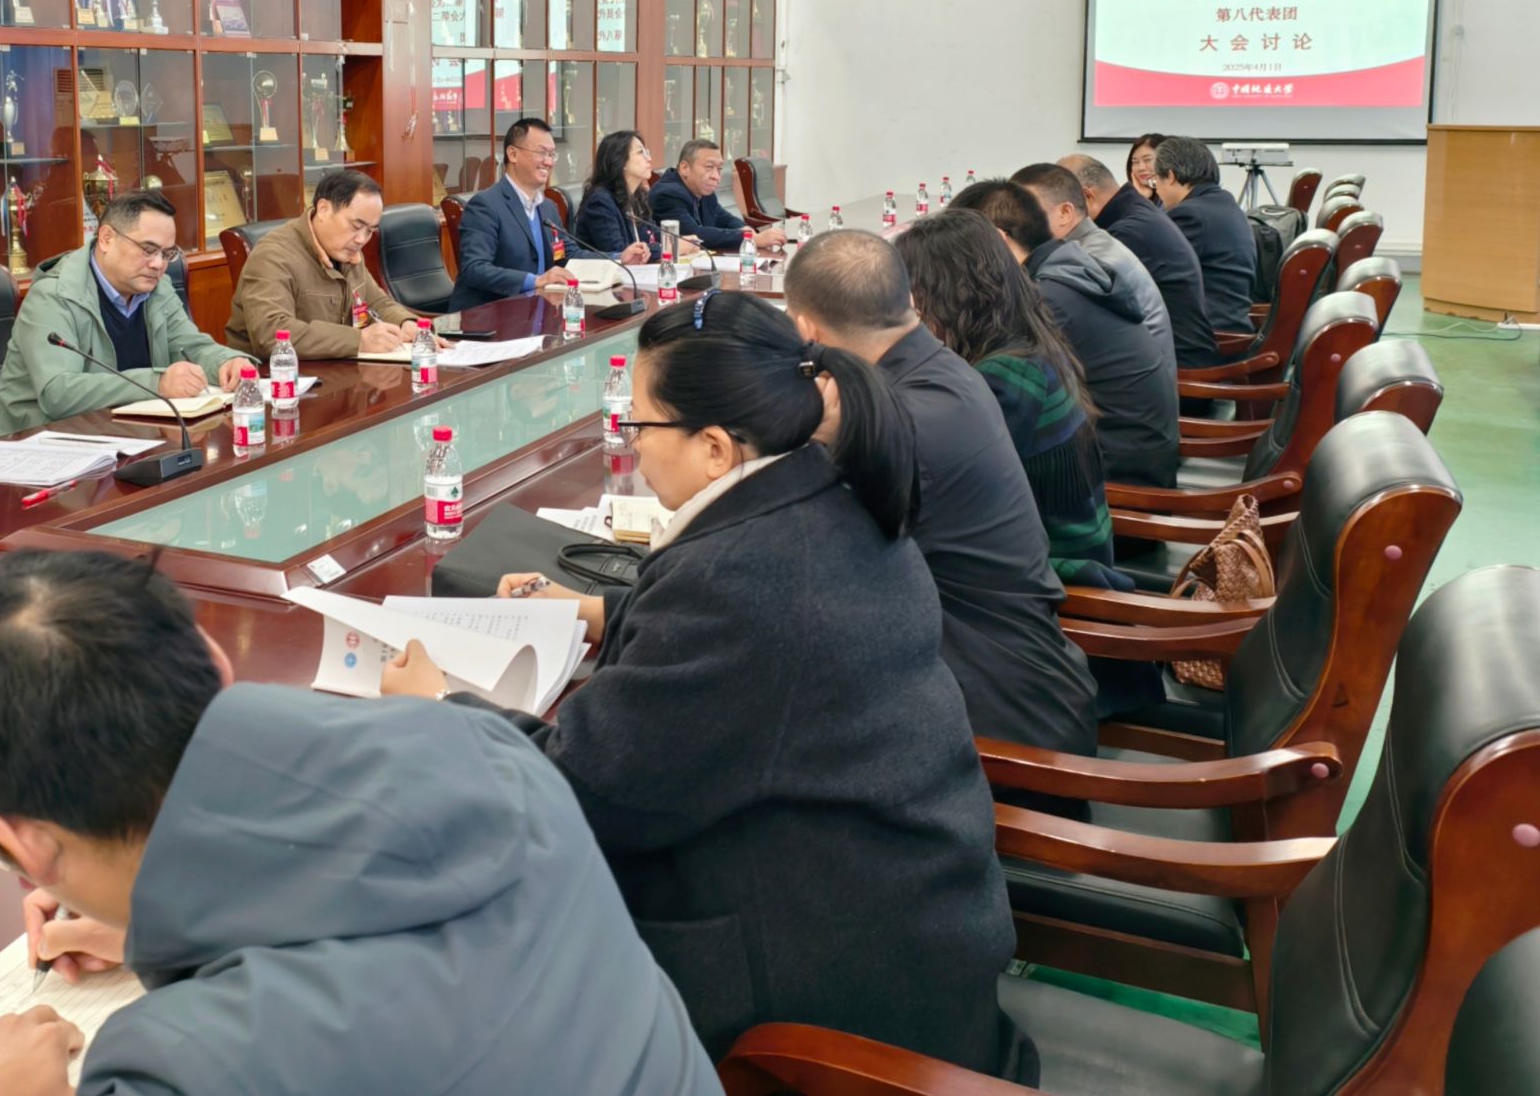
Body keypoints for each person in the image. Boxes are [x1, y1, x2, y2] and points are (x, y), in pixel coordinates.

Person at [386, 293, 1038, 1082]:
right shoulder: (827, 495)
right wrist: (602, 610)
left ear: (716, 449)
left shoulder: (739, 581)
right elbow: (753, 660)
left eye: (641, 425)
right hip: (901, 924)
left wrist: (439, 710)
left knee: (469, 933)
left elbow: (583, 791)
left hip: (824, 1008)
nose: (633, 444)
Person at [0, 551, 719, 1096]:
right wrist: (169, 932)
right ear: (217, 663)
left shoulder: (177, 1069)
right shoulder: (483, 745)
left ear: (23, 840)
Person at [781, 230, 1098, 762]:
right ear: (909, 300)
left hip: (992, 725)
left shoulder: (897, 423)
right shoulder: (942, 371)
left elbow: (802, 564)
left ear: (805, 330)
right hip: (1025, 680)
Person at [896, 214, 1160, 717]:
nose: (910, 310)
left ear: (943, 292)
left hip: (1056, 588)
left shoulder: (1003, 377)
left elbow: (938, 494)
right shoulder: (1024, 339)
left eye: (913, 294)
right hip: (1066, 556)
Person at [952, 181, 1179, 489]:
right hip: (1137, 455)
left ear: (998, 241)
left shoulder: (1047, 299)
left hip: (1117, 480)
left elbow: (1002, 404)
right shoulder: (1068, 267)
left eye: (960, 254)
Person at [0, 190, 247, 437]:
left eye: (167, 253)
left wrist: (227, 363)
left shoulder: (158, 288)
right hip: (38, 442)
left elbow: (191, 346)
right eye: (148, 250)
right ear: (106, 238)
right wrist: (158, 383)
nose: (158, 264)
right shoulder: (53, 296)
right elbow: (59, 393)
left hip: (128, 434)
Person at [223, 169, 429, 358]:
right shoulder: (273, 256)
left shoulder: (349, 251)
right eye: (356, 226)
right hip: (275, 377)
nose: (361, 239)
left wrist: (406, 323)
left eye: (370, 231)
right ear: (323, 209)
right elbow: (271, 333)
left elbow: (376, 302)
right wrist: (358, 341)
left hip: (336, 369)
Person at [447, 118, 648, 311]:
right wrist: (536, 280)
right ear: (513, 154)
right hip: (491, 315)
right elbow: (475, 268)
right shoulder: (486, 205)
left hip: (539, 310)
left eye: (552, 155)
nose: (549, 162)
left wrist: (619, 257)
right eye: (542, 153)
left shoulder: (547, 207)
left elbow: (569, 254)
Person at [1071, 151, 1220, 369]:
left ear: (1087, 197)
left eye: (1063, 209)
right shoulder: (1137, 213)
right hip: (1177, 354)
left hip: (1176, 368)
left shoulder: (1123, 234)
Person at [1016, 161, 1172, 358]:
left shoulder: (1089, 259)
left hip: (1139, 371)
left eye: (1028, 214)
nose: (1019, 224)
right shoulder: (1091, 244)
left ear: (1065, 213)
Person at [1153, 136, 1257, 337]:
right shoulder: (1226, 204)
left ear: (1171, 176)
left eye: (1155, 180)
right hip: (1230, 325)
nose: (1156, 188)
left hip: (1205, 336)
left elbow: (1154, 274)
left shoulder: (1189, 215)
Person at [573, 129, 699, 257]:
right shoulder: (600, 202)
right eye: (640, 152)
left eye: (647, 153)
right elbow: (622, 253)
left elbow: (652, 235)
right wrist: (670, 247)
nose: (649, 159)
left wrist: (678, 241)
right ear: (620, 161)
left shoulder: (638, 196)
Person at [648, 139, 785, 251]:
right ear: (685, 168)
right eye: (709, 167)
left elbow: (725, 219)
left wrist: (746, 230)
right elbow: (695, 234)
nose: (716, 177)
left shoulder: (703, 190)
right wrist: (750, 238)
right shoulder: (667, 194)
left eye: (719, 169)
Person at [1126, 132, 1165, 200]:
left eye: (1147, 160)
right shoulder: (1128, 197)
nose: (1141, 168)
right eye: (1135, 162)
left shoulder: (1175, 199)